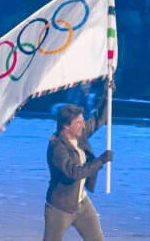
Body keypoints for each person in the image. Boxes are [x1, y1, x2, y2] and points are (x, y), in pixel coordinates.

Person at [43, 79, 114, 241]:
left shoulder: (79, 136)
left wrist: (107, 95)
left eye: (83, 121)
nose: (83, 125)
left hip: (81, 204)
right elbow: (73, 173)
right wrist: (100, 161)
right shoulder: (57, 148)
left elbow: (98, 120)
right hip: (59, 208)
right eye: (79, 122)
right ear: (66, 126)